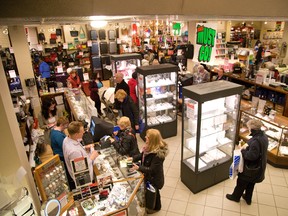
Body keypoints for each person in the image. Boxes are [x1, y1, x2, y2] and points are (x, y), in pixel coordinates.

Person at [226, 119, 268, 205]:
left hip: (251, 167)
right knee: (251, 183)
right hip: (258, 166)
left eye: (248, 127)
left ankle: (235, 197)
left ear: (252, 129)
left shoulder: (256, 141)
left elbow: (251, 156)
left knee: (241, 181)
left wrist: (243, 150)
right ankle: (248, 198)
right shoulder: (263, 136)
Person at [130, 129, 169, 213]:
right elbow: (142, 155)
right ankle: (153, 206)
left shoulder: (158, 155)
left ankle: (155, 208)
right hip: (149, 176)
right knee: (151, 191)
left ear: (152, 140)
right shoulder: (148, 148)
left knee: (154, 192)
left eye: (147, 137)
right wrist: (133, 158)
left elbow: (152, 169)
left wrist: (139, 168)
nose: (145, 137)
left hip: (154, 178)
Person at [63, 121, 99, 189]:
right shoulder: (74, 152)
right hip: (84, 181)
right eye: (82, 132)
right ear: (76, 134)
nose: (84, 133)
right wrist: (92, 156)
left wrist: (85, 147)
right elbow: (81, 169)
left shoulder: (67, 139)